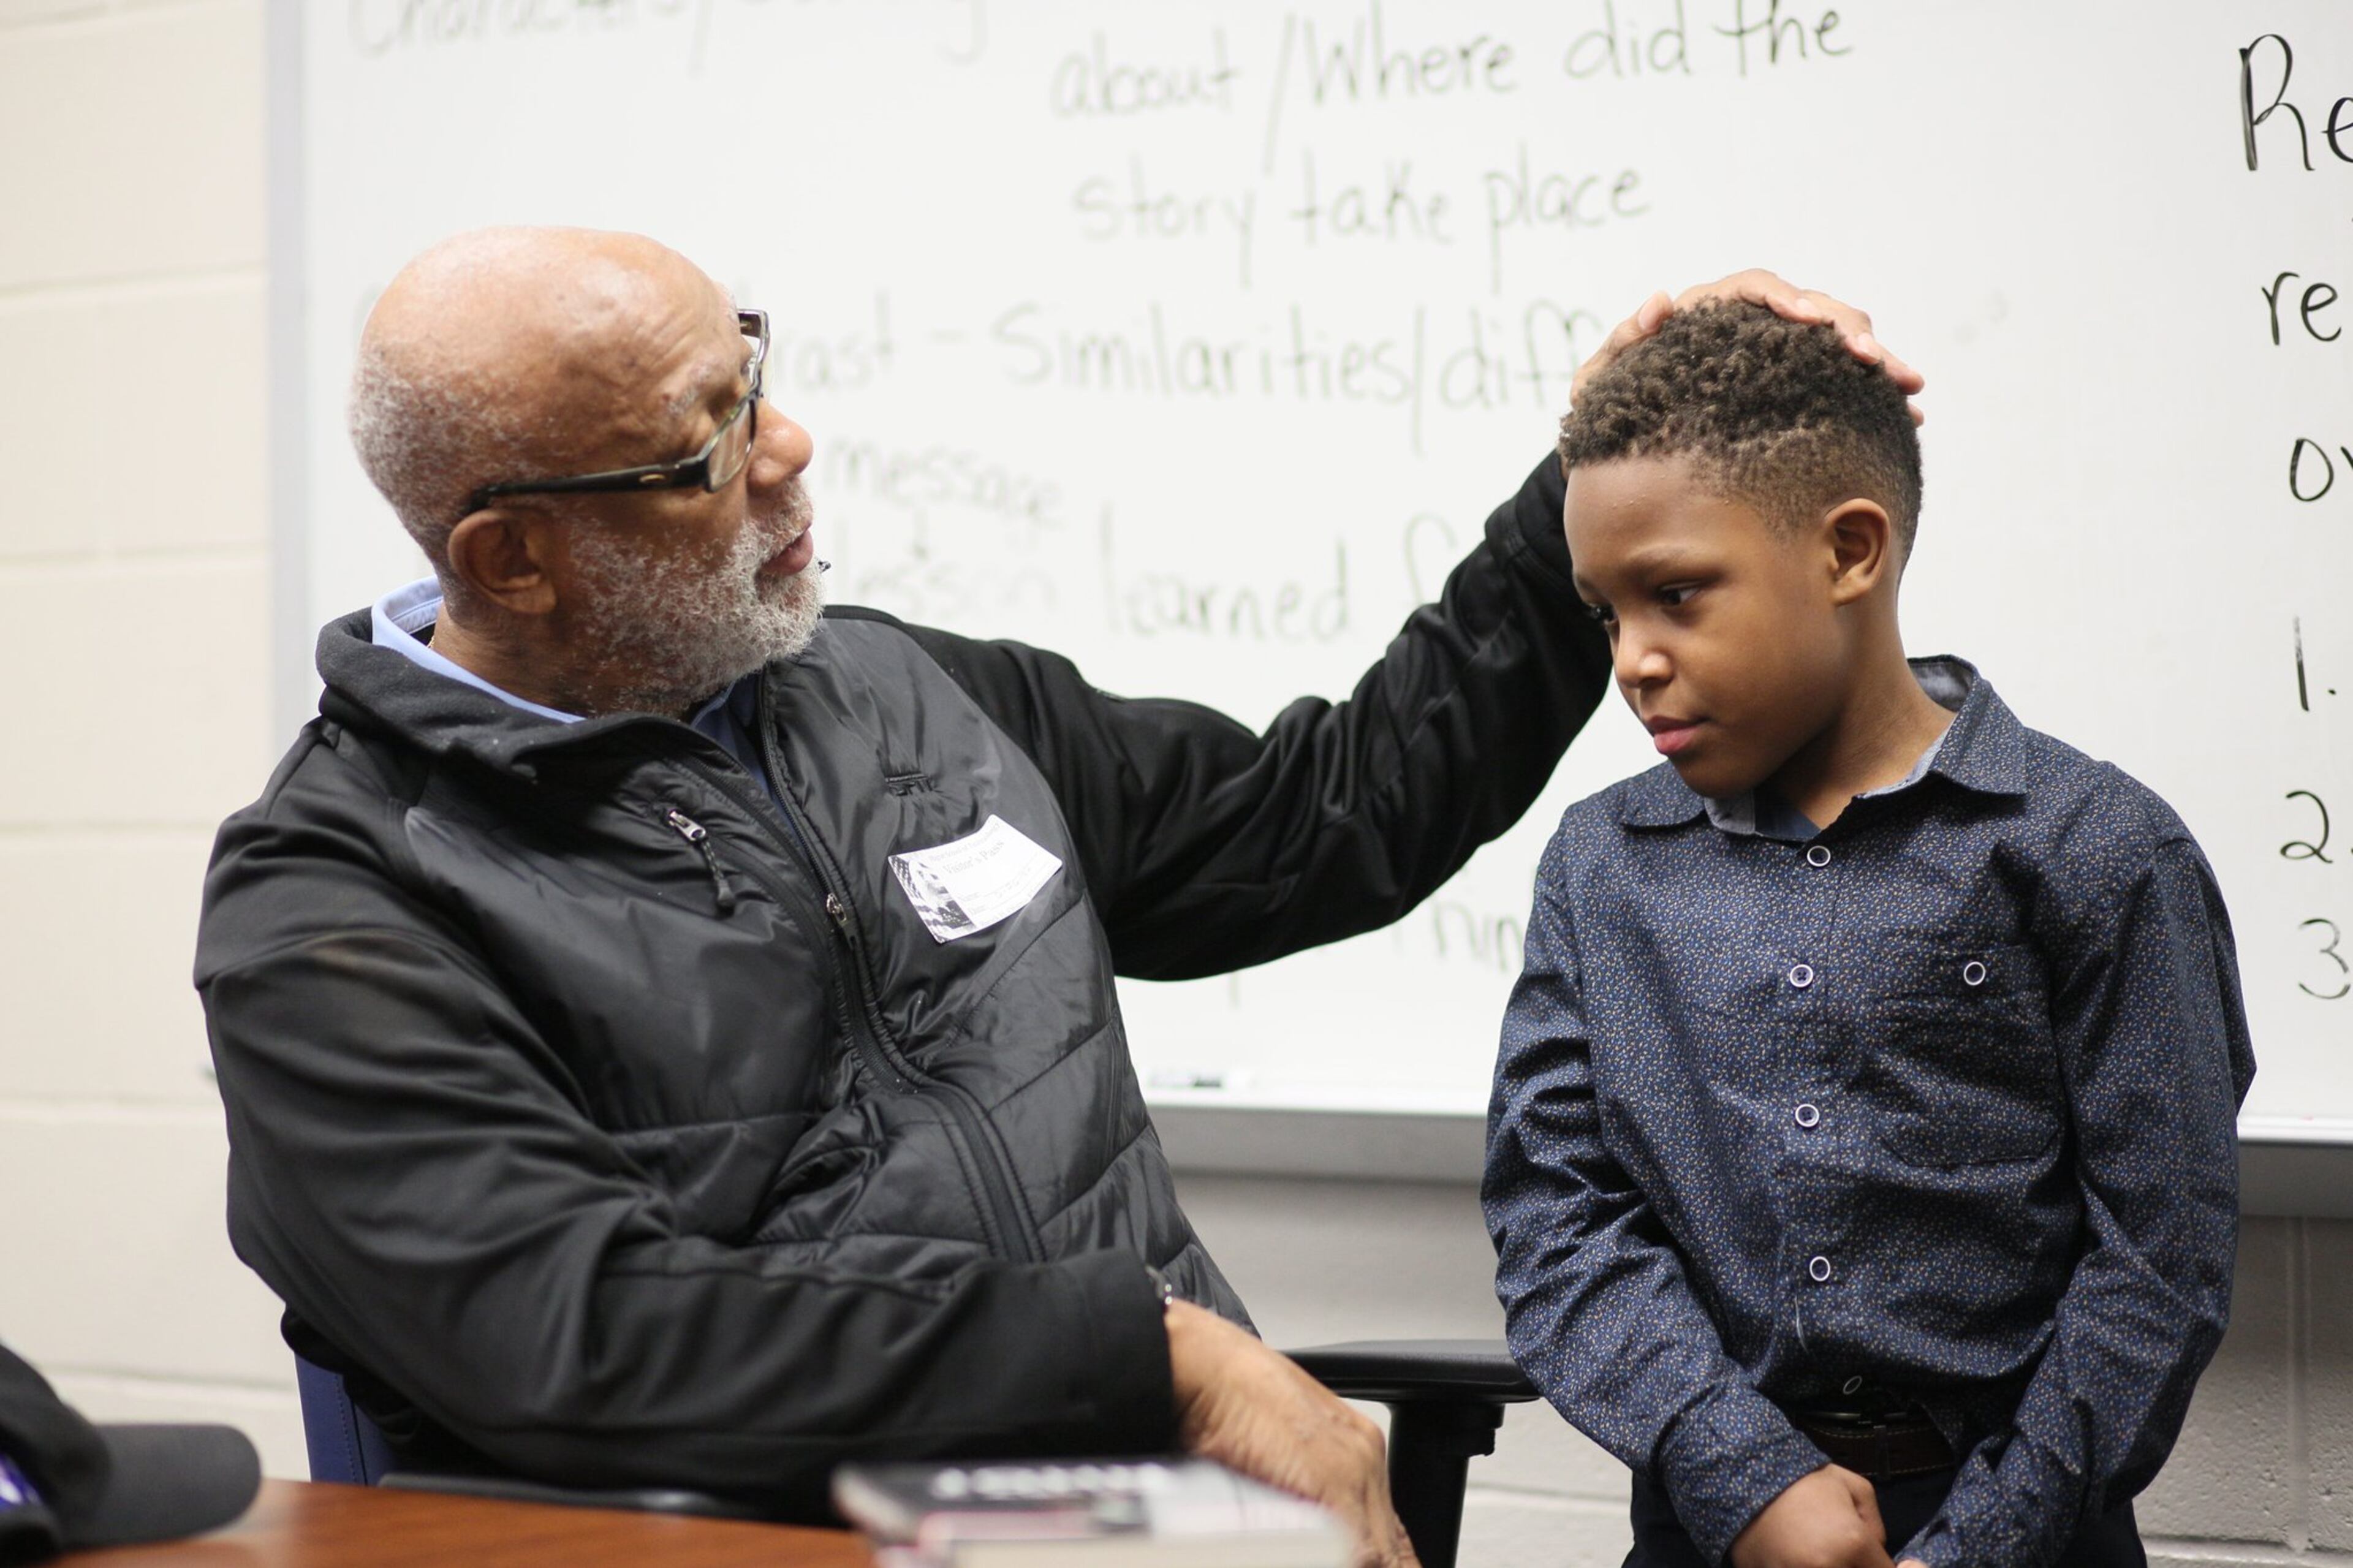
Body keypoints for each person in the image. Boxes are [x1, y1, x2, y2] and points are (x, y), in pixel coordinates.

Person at [192, 225, 1910, 1565]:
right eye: (702, 448)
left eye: (754, 374)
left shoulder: (907, 701)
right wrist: (1160, 1358)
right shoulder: (336, 901)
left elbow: (1327, 820)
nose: (786, 449)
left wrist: (1573, 514)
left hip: (1172, 1526)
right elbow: (588, 1341)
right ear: (511, 557)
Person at [1483, 301, 2254, 1568]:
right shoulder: (1601, 864)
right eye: (1605, 613)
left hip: (2031, 1525)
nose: (1633, 659)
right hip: (1718, 1522)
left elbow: (2159, 1261)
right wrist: (1744, 1473)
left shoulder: (2099, 849)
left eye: (1676, 595)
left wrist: (1984, 1541)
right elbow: (1557, 1219)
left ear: (1850, 551)